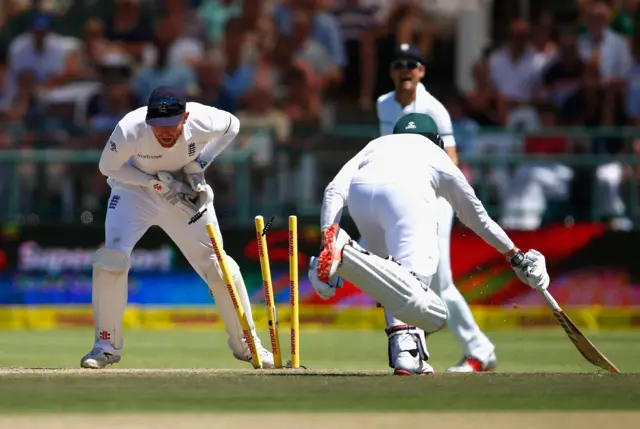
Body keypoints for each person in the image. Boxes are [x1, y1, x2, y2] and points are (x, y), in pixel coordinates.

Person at [308, 113, 550, 375]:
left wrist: (327, 236)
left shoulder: (377, 145)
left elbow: (333, 190)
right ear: (436, 141)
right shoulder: (437, 155)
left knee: (391, 280)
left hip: (360, 196)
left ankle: (408, 353)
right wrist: (515, 255)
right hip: (404, 197)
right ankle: (348, 253)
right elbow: (478, 218)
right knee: (423, 295)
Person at [80, 86, 274, 369]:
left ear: (185, 117)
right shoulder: (131, 127)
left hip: (185, 192)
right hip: (135, 191)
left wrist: (198, 165)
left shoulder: (203, 119)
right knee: (111, 259)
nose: (164, 133)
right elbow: (108, 167)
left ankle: (248, 345)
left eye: (171, 124)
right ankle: (105, 346)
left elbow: (234, 126)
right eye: (158, 126)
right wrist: (153, 183)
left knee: (219, 266)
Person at [373, 44, 497, 373]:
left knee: (438, 282)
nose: (405, 70)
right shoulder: (383, 104)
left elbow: (451, 161)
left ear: (421, 71)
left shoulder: (434, 109)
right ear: (391, 72)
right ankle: (419, 352)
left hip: (436, 199)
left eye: (412, 64)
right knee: (405, 274)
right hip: (400, 199)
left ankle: (479, 351)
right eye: (399, 64)